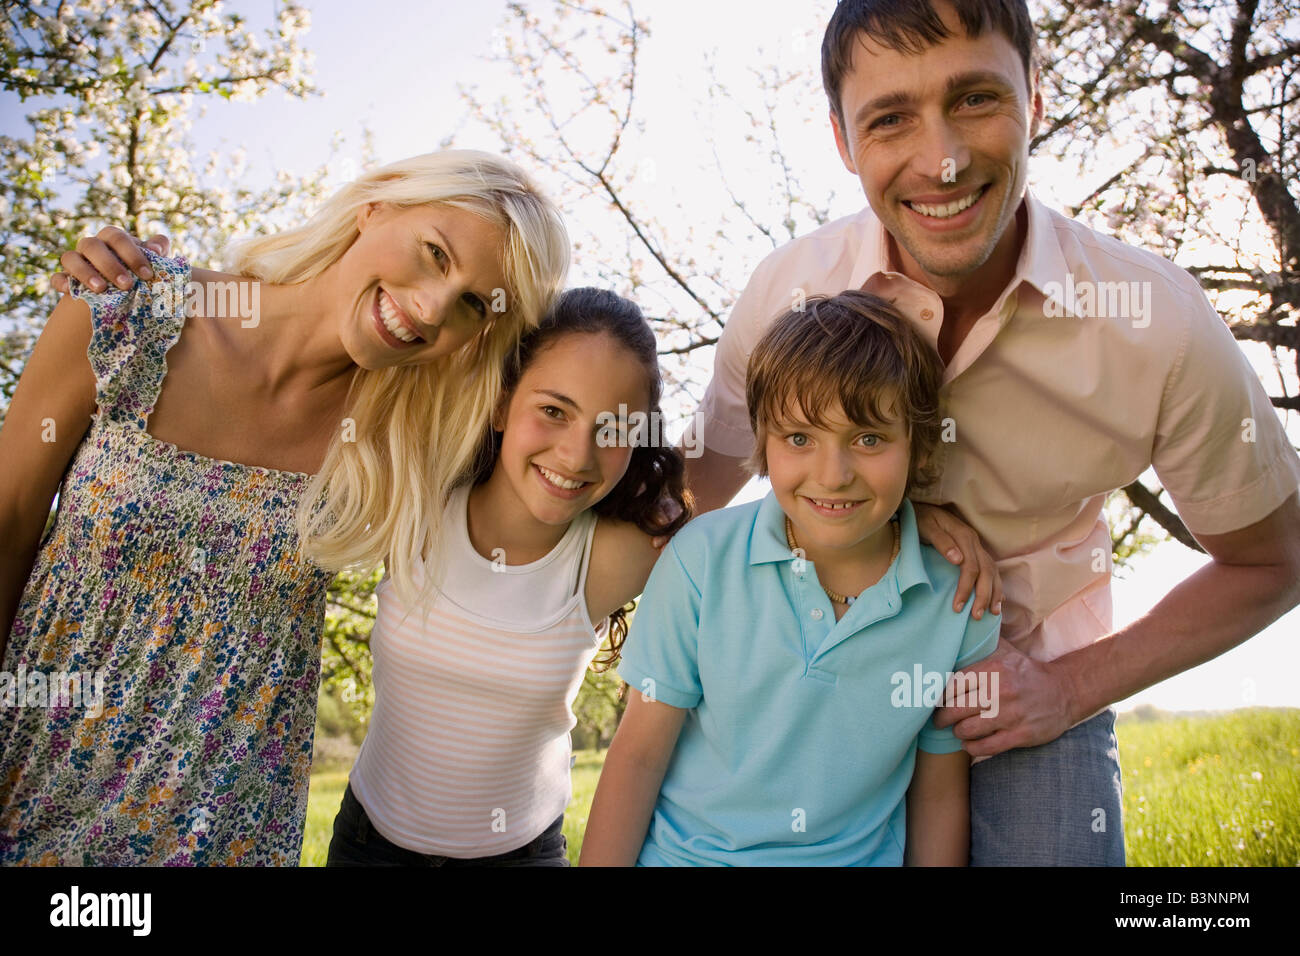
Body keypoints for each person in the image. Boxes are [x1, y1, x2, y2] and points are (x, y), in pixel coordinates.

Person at [680, 0, 1300, 865]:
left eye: (975, 99)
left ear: (1035, 99)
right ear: (842, 140)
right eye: (890, 117)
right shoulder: (787, 293)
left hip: (1022, 681)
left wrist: (1066, 687)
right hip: (817, 670)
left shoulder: (1157, 321)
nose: (942, 159)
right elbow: (688, 494)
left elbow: (1274, 560)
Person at [0, 150, 570, 865]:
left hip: (228, 837)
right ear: (377, 207)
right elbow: (7, 529)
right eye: (433, 254)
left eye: (469, 305)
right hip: (38, 800)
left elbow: (578, 452)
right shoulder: (125, 312)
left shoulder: (411, 443)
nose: (429, 308)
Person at [579, 291, 999, 866]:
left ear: (919, 446)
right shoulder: (701, 558)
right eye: (800, 438)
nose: (833, 474)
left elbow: (940, 791)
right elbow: (637, 758)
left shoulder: (960, 600)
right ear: (764, 443)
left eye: (869, 439)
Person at [325, 287, 691, 867]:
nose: (576, 456)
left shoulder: (619, 558)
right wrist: (156, 277)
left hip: (522, 855)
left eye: (613, 429)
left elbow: (790, 507)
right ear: (501, 404)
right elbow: (316, 358)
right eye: (553, 411)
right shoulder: (414, 502)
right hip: (371, 846)